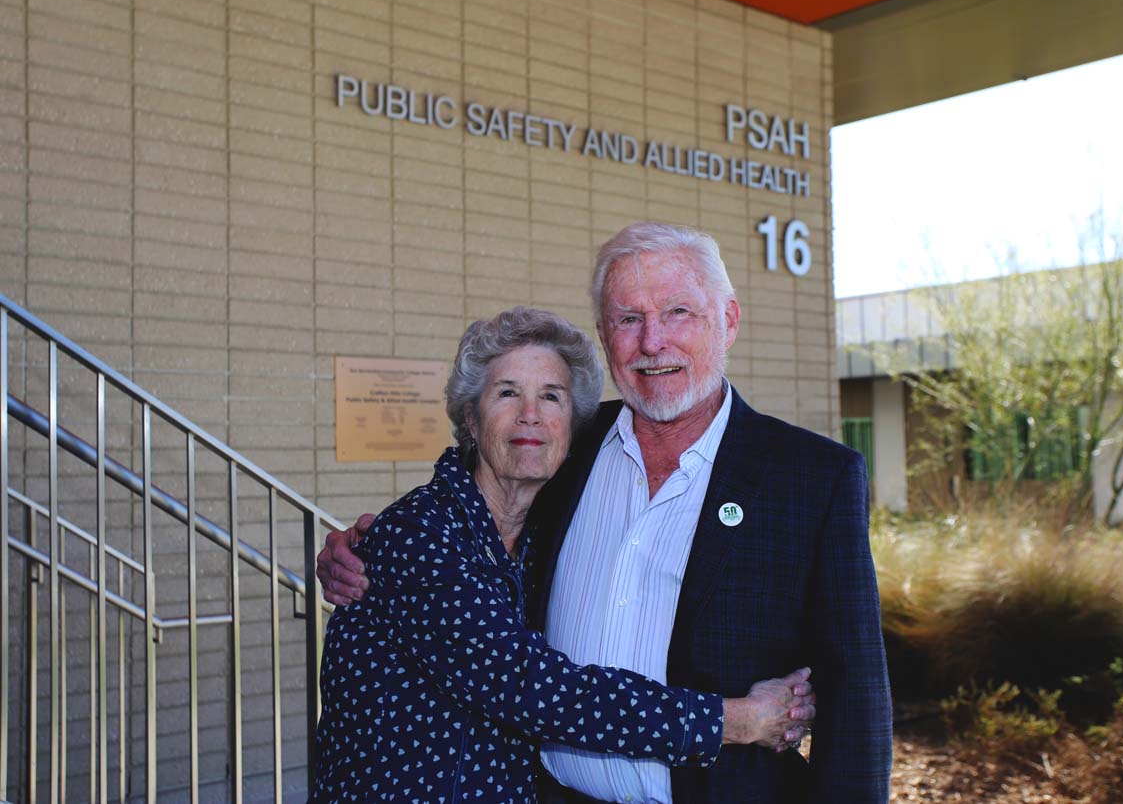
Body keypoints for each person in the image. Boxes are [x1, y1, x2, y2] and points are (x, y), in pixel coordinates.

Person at [320, 224, 892, 803]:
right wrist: (363, 548)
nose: (652, 342)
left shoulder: (812, 477)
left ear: (729, 321)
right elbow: (519, 673)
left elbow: (858, 691)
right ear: (604, 334)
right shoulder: (566, 451)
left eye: (678, 312)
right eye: (628, 319)